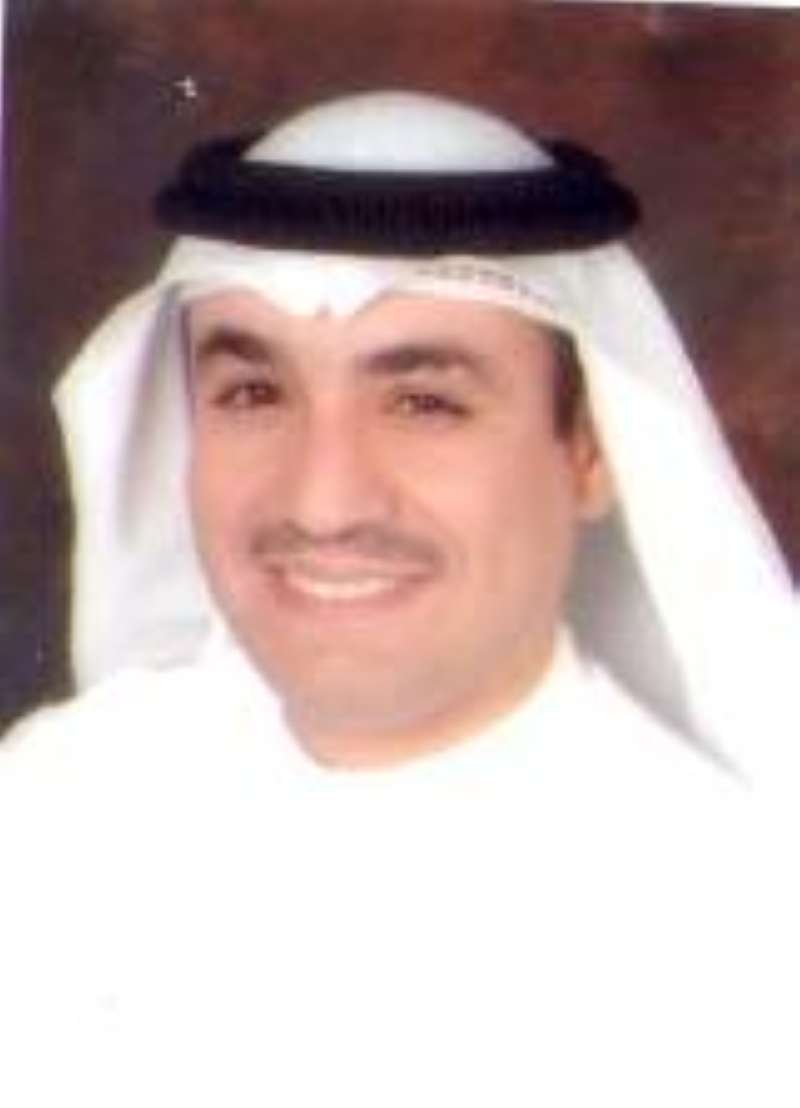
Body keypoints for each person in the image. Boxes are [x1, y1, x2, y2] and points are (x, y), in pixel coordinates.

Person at [1, 90, 797, 1106]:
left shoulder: (740, 928)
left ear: (592, 449)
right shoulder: (51, 802)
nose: (323, 502)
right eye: (254, 393)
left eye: (424, 403)